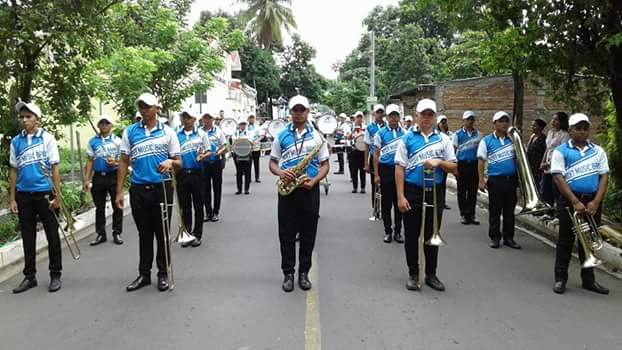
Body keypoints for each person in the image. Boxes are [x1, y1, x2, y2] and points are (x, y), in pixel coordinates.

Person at [116, 93, 182, 292]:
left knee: (162, 234)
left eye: (147, 106)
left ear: (156, 108)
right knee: (144, 234)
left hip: (161, 188)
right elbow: (123, 162)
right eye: (141, 106)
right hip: (138, 189)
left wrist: (170, 162)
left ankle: (162, 273)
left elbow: (179, 162)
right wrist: (119, 191)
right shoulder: (130, 132)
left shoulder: (168, 132)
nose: (143, 110)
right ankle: (144, 274)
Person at [395, 98, 457, 291]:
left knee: (432, 234)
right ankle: (413, 273)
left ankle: (431, 274)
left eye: (431, 115)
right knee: (412, 234)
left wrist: (439, 163)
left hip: (435, 192)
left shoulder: (444, 139)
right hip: (412, 191)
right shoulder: (406, 138)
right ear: (417, 116)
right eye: (423, 114)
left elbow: (454, 167)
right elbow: (399, 167)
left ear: (435, 117)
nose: (427, 118)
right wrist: (400, 196)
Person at [269, 95, 329, 293]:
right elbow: (272, 163)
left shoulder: (317, 137)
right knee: (286, 234)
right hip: (287, 192)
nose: (298, 113)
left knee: (308, 234)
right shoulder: (281, 136)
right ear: (290, 112)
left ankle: (304, 272)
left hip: (309, 190)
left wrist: (315, 180)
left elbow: (325, 165)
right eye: (295, 110)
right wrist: (281, 172)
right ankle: (288, 273)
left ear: (308, 111)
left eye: (302, 109)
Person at [550, 113, 610, 295]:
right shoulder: (561, 151)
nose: (583, 132)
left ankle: (589, 280)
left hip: (592, 200)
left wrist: (596, 202)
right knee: (565, 241)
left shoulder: (598, 151)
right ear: (570, 130)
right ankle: (560, 279)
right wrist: (574, 201)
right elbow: (558, 178)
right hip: (570, 201)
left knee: (589, 242)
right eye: (579, 128)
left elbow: (604, 176)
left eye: (586, 128)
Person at [9, 101, 63, 293]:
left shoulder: (47, 139)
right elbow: (14, 170)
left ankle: (55, 274)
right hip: (24, 195)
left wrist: (57, 195)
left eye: (28, 117)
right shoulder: (16, 141)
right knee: (28, 237)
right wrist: (12, 198)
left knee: (52, 235)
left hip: (45, 194)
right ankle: (29, 276)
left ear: (37, 119)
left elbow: (55, 168)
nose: (24, 120)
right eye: (22, 117)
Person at [477, 111, 522, 249]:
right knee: (495, 210)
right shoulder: (486, 141)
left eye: (506, 121)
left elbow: (520, 161)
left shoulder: (514, 140)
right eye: (500, 121)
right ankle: (495, 237)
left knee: (509, 211)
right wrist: (481, 180)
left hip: (511, 180)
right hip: (495, 181)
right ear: (494, 123)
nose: (504, 124)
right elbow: (481, 161)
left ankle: (509, 238)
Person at [84, 115, 124, 246]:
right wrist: (86, 179)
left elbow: (124, 161)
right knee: (99, 207)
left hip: (113, 175)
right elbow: (90, 161)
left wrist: (115, 163)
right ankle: (101, 234)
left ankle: (117, 232)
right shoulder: (93, 141)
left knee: (117, 205)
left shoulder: (118, 141)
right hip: (98, 177)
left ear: (111, 125)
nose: (104, 125)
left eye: (107, 123)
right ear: (98, 125)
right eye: (102, 123)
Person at [176, 109, 210, 247]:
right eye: (183, 117)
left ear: (194, 119)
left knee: (198, 205)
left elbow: (208, 151)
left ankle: (198, 234)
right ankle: (187, 233)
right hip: (182, 174)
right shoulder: (176, 135)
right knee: (185, 206)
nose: (185, 120)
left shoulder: (201, 134)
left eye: (188, 117)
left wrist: (203, 156)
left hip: (197, 173)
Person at [374, 104, 406, 244]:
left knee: (399, 201)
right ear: (387, 117)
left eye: (396, 115)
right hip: (385, 170)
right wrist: (376, 174)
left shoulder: (405, 133)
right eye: (391, 115)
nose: (393, 118)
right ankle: (388, 231)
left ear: (399, 117)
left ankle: (398, 231)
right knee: (386, 204)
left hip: (400, 170)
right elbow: (376, 155)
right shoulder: (380, 133)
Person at [453, 111, 481, 225]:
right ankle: (464, 214)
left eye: (472, 119)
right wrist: (454, 168)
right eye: (468, 119)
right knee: (462, 191)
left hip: (474, 165)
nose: (470, 121)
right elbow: (453, 151)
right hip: (462, 164)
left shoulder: (478, 134)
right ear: (463, 120)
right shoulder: (457, 134)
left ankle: (472, 214)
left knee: (472, 191)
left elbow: (480, 151)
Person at [540, 112, 570, 208]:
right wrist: (543, 161)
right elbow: (547, 148)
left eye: (556, 120)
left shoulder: (564, 135)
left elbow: (562, 151)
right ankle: (548, 211)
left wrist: (549, 163)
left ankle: (558, 214)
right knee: (545, 189)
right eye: (553, 119)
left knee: (555, 190)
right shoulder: (550, 132)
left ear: (561, 122)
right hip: (547, 167)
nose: (553, 121)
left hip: (556, 166)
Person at [201, 113, 227, 222]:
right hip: (204, 163)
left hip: (216, 162)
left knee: (217, 188)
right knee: (205, 189)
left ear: (212, 120)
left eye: (209, 118)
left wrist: (219, 152)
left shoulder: (218, 131)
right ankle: (208, 212)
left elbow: (225, 146)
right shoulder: (199, 132)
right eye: (205, 118)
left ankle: (216, 211)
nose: (207, 120)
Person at [364, 104, 386, 209]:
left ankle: (385, 207)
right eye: (378, 112)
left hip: (386, 158)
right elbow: (367, 146)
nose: (380, 114)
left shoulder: (388, 126)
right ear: (374, 113)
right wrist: (366, 164)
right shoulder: (369, 128)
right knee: (375, 183)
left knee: (386, 184)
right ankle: (376, 208)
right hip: (374, 158)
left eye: (381, 112)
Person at [348, 111, 366, 193]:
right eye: (357, 117)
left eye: (360, 117)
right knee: (354, 170)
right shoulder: (351, 126)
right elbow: (348, 137)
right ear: (355, 118)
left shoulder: (365, 127)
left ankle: (363, 187)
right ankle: (355, 187)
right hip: (354, 150)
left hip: (362, 151)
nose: (359, 119)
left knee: (362, 170)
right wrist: (353, 131)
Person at [436, 115, 452, 210]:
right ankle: (438, 201)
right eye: (442, 122)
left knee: (443, 183)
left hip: (445, 162)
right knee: (438, 183)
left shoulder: (450, 134)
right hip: (437, 162)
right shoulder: (436, 135)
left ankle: (443, 202)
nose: (444, 124)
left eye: (445, 122)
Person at [526, 118, 547, 188]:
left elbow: (545, 152)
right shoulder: (532, 137)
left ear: (541, 128)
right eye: (532, 126)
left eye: (534, 126)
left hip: (537, 167)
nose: (532, 127)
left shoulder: (544, 139)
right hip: (530, 165)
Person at [233, 120, 252, 195]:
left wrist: (241, 139)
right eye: (241, 124)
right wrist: (243, 139)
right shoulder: (235, 132)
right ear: (239, 125)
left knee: (247, 172)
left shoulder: (249, 132)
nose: (242, 126)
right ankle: (239, 189)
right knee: (239, 172)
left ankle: (246, 189)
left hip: (247, 153)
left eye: (244, 124)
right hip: (237, 154)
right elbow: (234, 141)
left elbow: (251, 141)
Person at [247, 114, 262, 183]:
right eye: (250, 118)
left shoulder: (257, 127)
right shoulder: (246, 127)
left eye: (252, 118)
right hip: (247, 147)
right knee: (248, 163)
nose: (251, 120)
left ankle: (257, 177)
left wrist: (256, 141)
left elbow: (261, 136)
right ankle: (248, 177)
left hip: (256, 147)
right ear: (248, 119)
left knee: (256, 163)